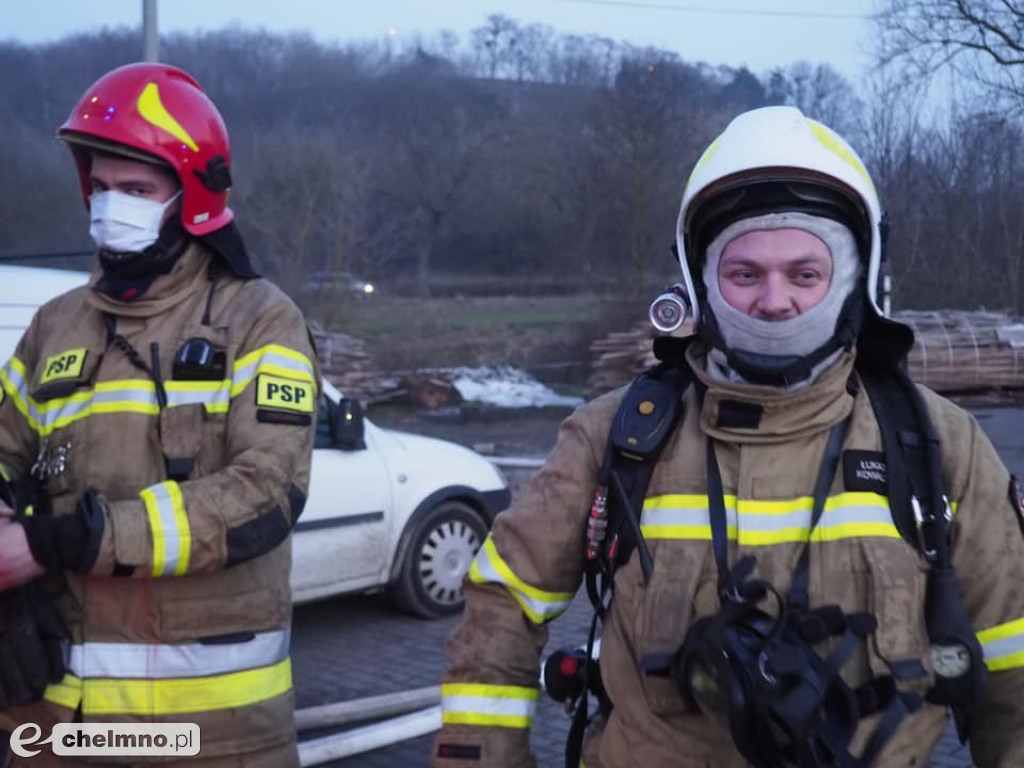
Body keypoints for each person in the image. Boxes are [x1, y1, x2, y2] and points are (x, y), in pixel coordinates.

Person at [431, 106, 1024, 767]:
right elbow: (504, 607)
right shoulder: (614, 437)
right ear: (701, 282)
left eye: (805, 273)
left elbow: (1015, 667)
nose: (775, 301)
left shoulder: (942, 445)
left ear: (854, 281)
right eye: (746, 274)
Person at [0, 63, 319, 766]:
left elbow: (264, 492)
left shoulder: (260, 320)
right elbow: (6, 445)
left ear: (192, 196)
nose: (113, 206)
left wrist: (58, 542)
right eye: (103, 187)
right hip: (53, 724)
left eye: (137, 190)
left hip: (210, 735)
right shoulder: (55, 325)